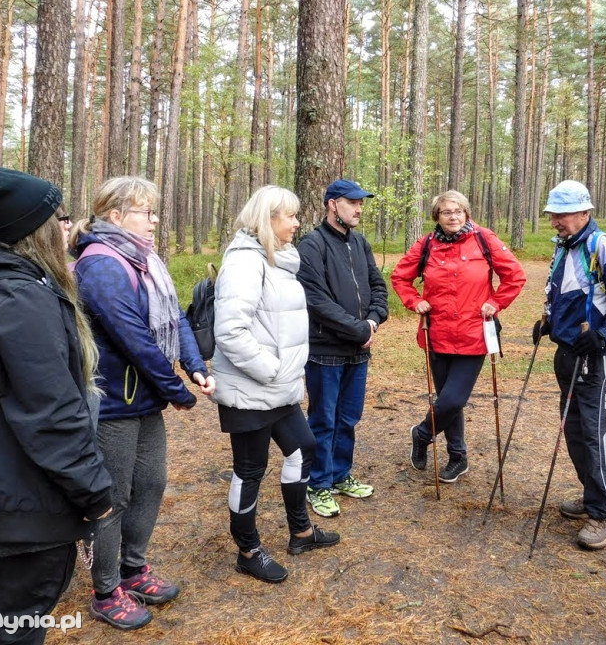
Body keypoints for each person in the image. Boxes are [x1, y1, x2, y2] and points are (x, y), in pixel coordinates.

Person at [0, 167, 113, 645]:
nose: (68, 225)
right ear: (37, 229)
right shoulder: (22, 300)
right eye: (60, 217)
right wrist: (95, 494)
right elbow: (52, 415)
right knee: (14, 628)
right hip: (24, 505)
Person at [71, 176, 214, 630]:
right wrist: (176, 391)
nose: (154, 221)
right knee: (112, 497)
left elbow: (175, 319)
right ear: (116, 215)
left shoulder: (147, 260)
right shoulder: (100, 264)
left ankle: (133, 568)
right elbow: (132, 337)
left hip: (145, 399)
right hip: (112, 403)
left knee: (151, 484)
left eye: (154, 211)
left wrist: (194, 366)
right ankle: (106, 589)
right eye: (146, 212)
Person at [211, 185, 340, 584]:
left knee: (304, 447)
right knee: (250, 470)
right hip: (250, 389)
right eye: (291, 216)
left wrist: (282, 373)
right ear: (268, 219)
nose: (298, 223)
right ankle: (248, 551)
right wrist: (272, 369)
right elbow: (230, 332)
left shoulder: (278, 260)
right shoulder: (244, 263)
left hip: (278, 388)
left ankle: (300, 532)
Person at [535, 179, 606, 550]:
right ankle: (592, 493)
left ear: (584, 212)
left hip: (596, 358)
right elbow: (569, 295)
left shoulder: (602, 246)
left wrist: (604, 335)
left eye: (562, 215)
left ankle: (604, 510)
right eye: (552, 215)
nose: (555, 222)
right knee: (575, 430)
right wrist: (549, 323)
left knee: (595, 432)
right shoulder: (565, 246)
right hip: (567, 353)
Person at [391, 190, 526, 484]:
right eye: (446, 212)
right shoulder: (426, 244)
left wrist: (496, 302)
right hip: (437, 333)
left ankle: (422, 433)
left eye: (458, 211)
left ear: (467, 213)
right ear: (437, 217)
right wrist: (414, 301)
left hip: (473, 334)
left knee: (452, 400)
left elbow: (515, 275)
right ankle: (458, 456)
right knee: (448, 401)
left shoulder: (484, 239)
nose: (453, 217)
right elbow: (400, 277)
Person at [297, 179, 390, 518]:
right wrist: (358, 329)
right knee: (323, 419)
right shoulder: (312, 245)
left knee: (348, 418)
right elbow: (316, 300)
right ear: (332, 204)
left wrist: (373, 321)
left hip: (358, 351)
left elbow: (378, 287)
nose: (359, 209)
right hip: (325, 350)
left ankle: (339, 475)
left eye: (361, 203)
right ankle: (317, 484)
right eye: (352, 202)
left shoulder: (360, 243)